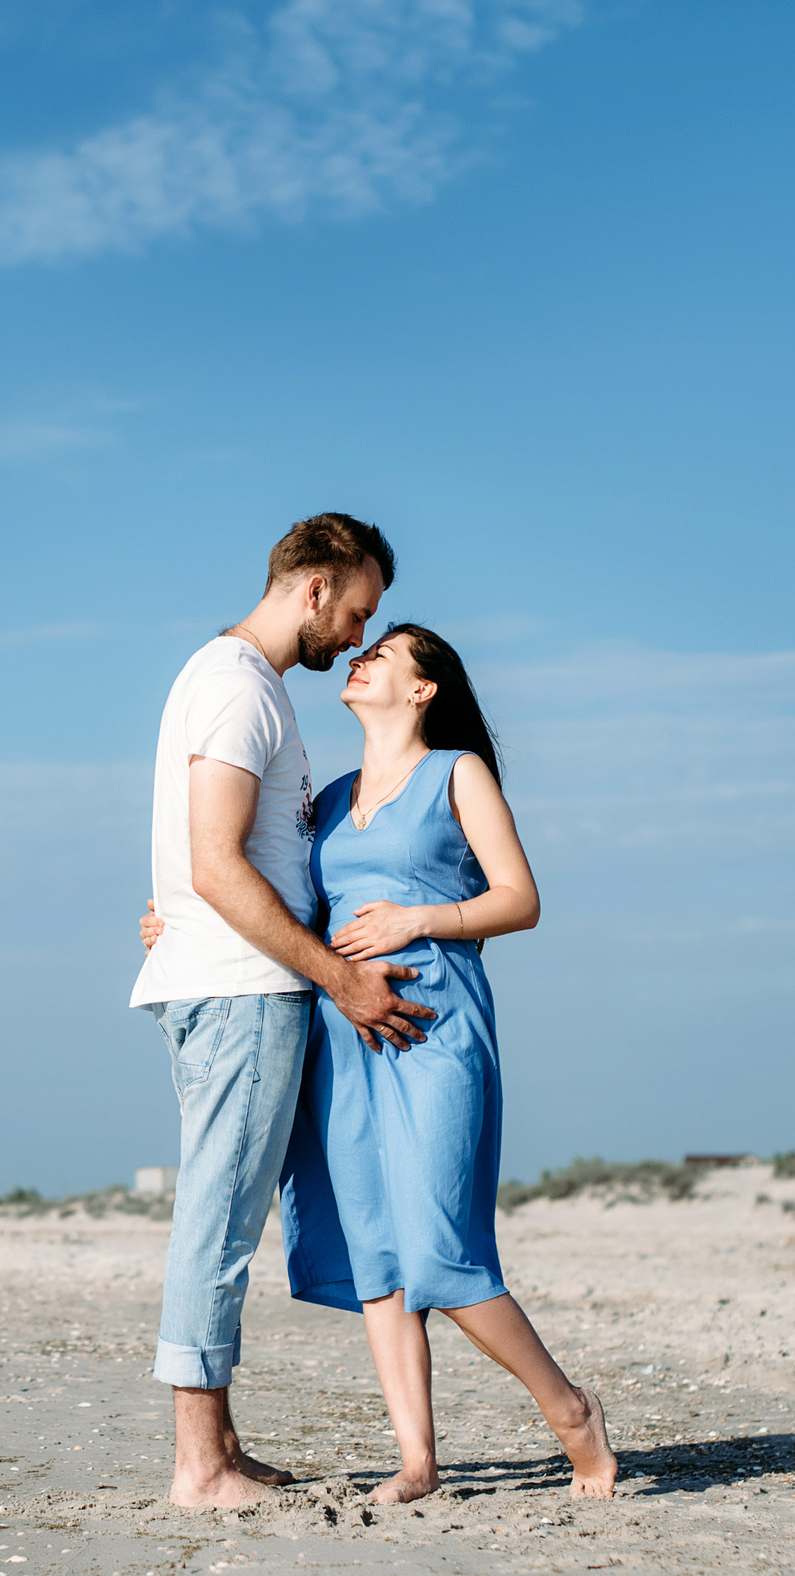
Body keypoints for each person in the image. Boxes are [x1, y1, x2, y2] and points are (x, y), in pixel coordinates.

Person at [142, 623, 616, 1500]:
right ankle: (417, 1459)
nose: (359, 658)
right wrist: (174, 919)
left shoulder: (456, 773)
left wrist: (413, 919)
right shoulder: (329, 800)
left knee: (444, 1247)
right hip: (347, 1033)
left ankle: (571, 1411)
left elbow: (520, 898)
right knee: (378, 1254)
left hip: (435, 1024)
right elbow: (267, 885)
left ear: (425, 688)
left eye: (383, 653)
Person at [131, 514, 436, 1510]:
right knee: (216, 1221)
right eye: (355, 613)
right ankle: (199, 1465)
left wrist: (175, 913)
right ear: (314, 588)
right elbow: (219, 862)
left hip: (222, 974)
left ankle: (216, 1445)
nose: (355, 638)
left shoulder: (240, 686)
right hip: (238, 988)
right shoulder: (233, 686)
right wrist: (341, 977)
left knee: (223, 1215)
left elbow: (214, 859)